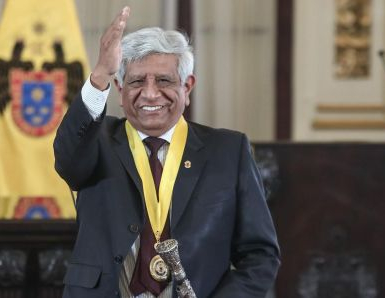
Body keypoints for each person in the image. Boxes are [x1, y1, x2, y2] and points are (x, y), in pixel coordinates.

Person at [54, 6, 280, 298]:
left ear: (188, 87)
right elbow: (67, 158)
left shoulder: (228, 150)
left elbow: (260, 255)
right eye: (136, 81)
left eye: (164, 81)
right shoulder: (96, 141)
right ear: (120, 89)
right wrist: (99, 75)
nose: (150, 93)